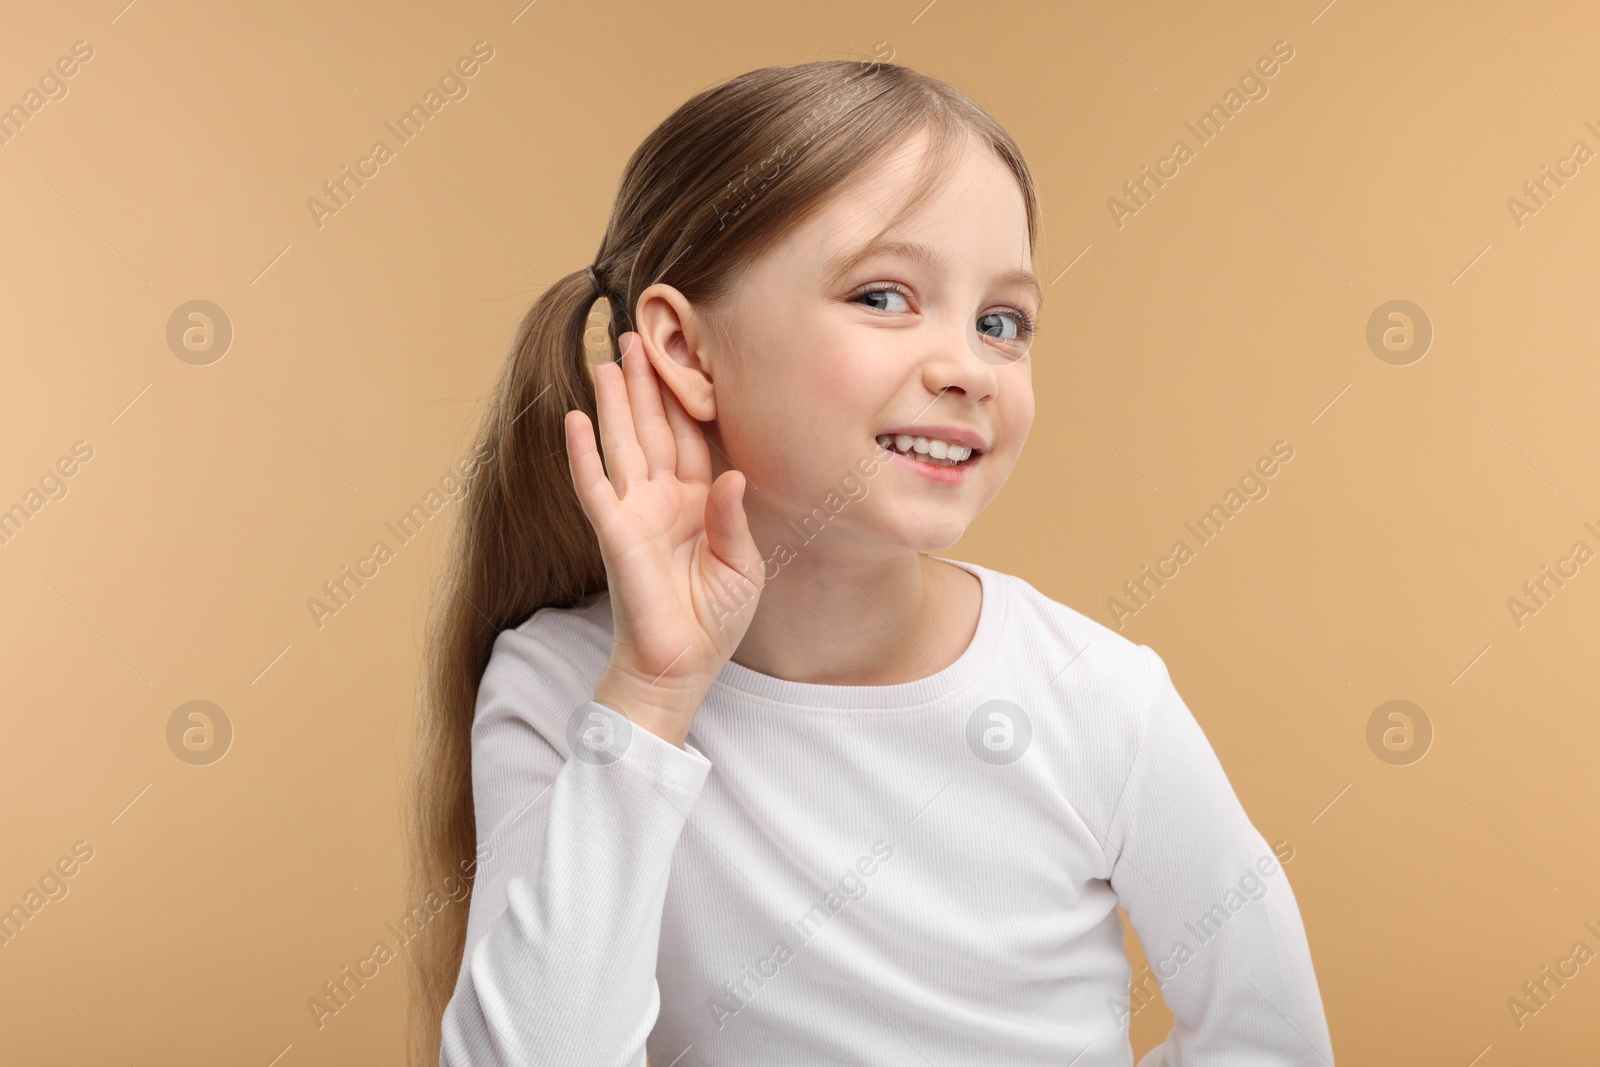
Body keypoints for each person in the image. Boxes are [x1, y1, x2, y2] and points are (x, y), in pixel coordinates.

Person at [404, 59, 1335, 1067]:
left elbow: (1270, 1038)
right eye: (886, 296)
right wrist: (651, 698)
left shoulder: (1099, 697)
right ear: (685, 348)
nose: (966, 367)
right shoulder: (562, 687)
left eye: (1000, 322)